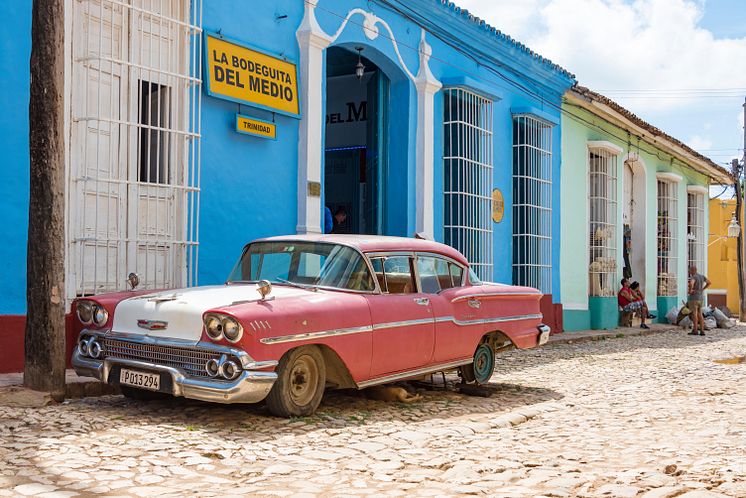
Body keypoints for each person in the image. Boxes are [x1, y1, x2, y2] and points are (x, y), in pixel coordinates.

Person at [687, 265, 711, 336]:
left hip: (694, 298)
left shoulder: (694, 277)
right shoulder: (702, 276)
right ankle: (702, 330)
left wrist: (690, 290)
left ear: (692, 270)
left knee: (694, 314)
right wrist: (702, 289)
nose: (689, 272)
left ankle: (695, 330)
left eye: (690, 270)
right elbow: (709, 282)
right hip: (700, 298)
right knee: (700, 314)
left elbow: (691, 283)